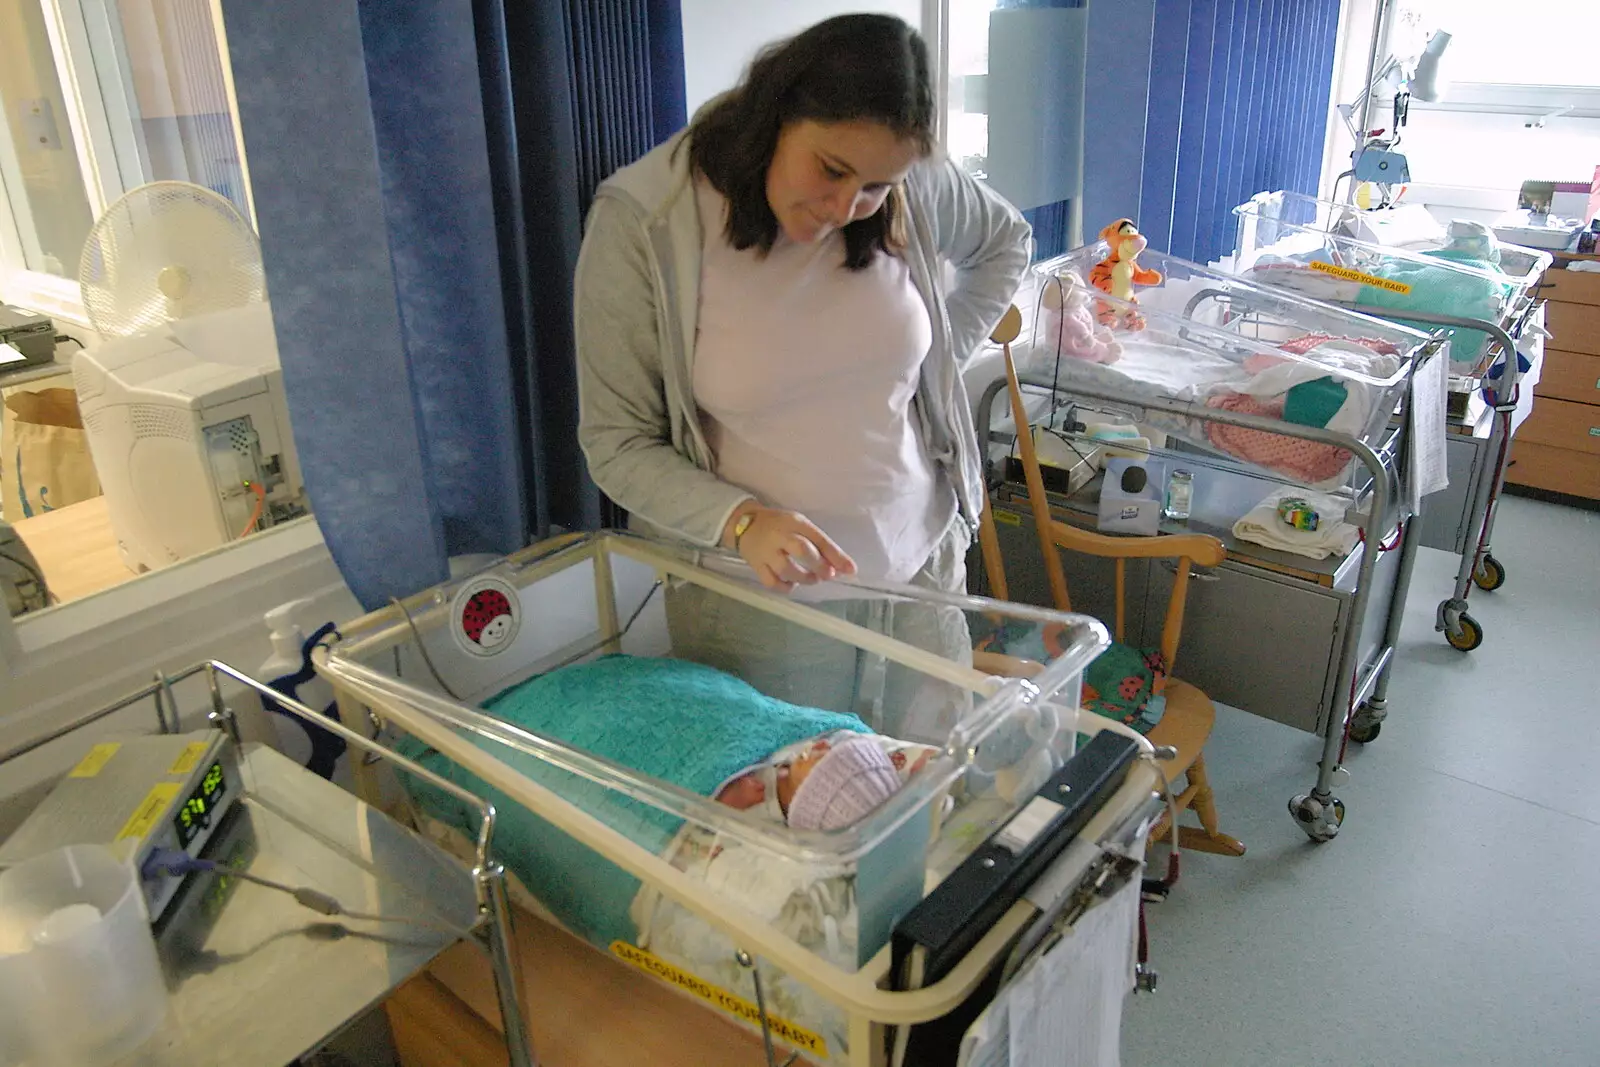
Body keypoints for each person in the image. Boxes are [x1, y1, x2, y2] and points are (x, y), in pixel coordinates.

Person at [574, 14, 1030, 733]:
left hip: (920, 565)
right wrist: (741, 519)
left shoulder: (913, 189)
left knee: (932, 784)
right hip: (759, 602)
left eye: (875, 187)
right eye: (831, 170)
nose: (844, 208)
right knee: (795, 807)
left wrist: (933, 364)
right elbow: (616, 441)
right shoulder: (648, 221)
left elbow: (1007, 241)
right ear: (774, 117)